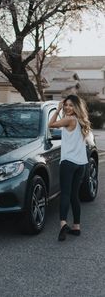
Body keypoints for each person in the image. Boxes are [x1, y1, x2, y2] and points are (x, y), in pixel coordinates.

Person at [48, 94, 91, 241]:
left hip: (68, 163)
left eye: (71, 105)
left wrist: (58, 109)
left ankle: (63, 224)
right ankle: (76, 227)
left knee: (65, 194)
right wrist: (62, 111)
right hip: (80, 164)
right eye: (65, 104)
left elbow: (51, 124)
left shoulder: (69, 119)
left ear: (76, 107)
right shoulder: (81, 121)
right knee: (74, 195)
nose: (67, 107)